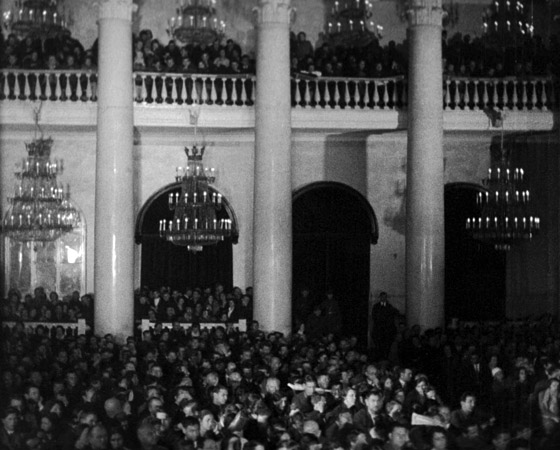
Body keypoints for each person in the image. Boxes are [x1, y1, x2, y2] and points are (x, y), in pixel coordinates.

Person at [371, 292, 399, 360]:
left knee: (387, 347)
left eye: (385, 297)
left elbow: (396, 312)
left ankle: (385, 359)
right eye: (382, 297)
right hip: (379, 330)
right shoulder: (376, 306)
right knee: (379, 347)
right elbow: (374, 317)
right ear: (380, 297)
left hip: (387, 331)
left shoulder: (389, 306)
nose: (384, 298)